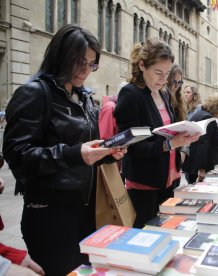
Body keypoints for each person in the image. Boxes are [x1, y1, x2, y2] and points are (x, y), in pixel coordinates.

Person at [2, 24, 126, 275]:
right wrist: (75, 154)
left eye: (92, 64)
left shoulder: (84, 97)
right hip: (51, 214)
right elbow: (18, 155)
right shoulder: (35, 93)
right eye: (79, 61)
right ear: (61, 55)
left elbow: (84, 149)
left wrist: (106, 154)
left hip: (87, 209)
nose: (85, 70)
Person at [114, 38, 199, 229]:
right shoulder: (131, 94)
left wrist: (185, 135)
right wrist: (169, 144)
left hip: (169, 177)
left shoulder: (164, 93)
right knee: (145, 234)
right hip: (145, 182)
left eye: (167, 73)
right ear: (142, 65)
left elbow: (165, 129)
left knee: (167, 231)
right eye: (158, 72)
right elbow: (132, 147)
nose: (163, 79)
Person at [183, 94, 218, 183]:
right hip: (198, 168)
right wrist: (202, 168)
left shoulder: (200, 114)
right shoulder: (207, 118)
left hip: (193, 165)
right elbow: (202, 145)